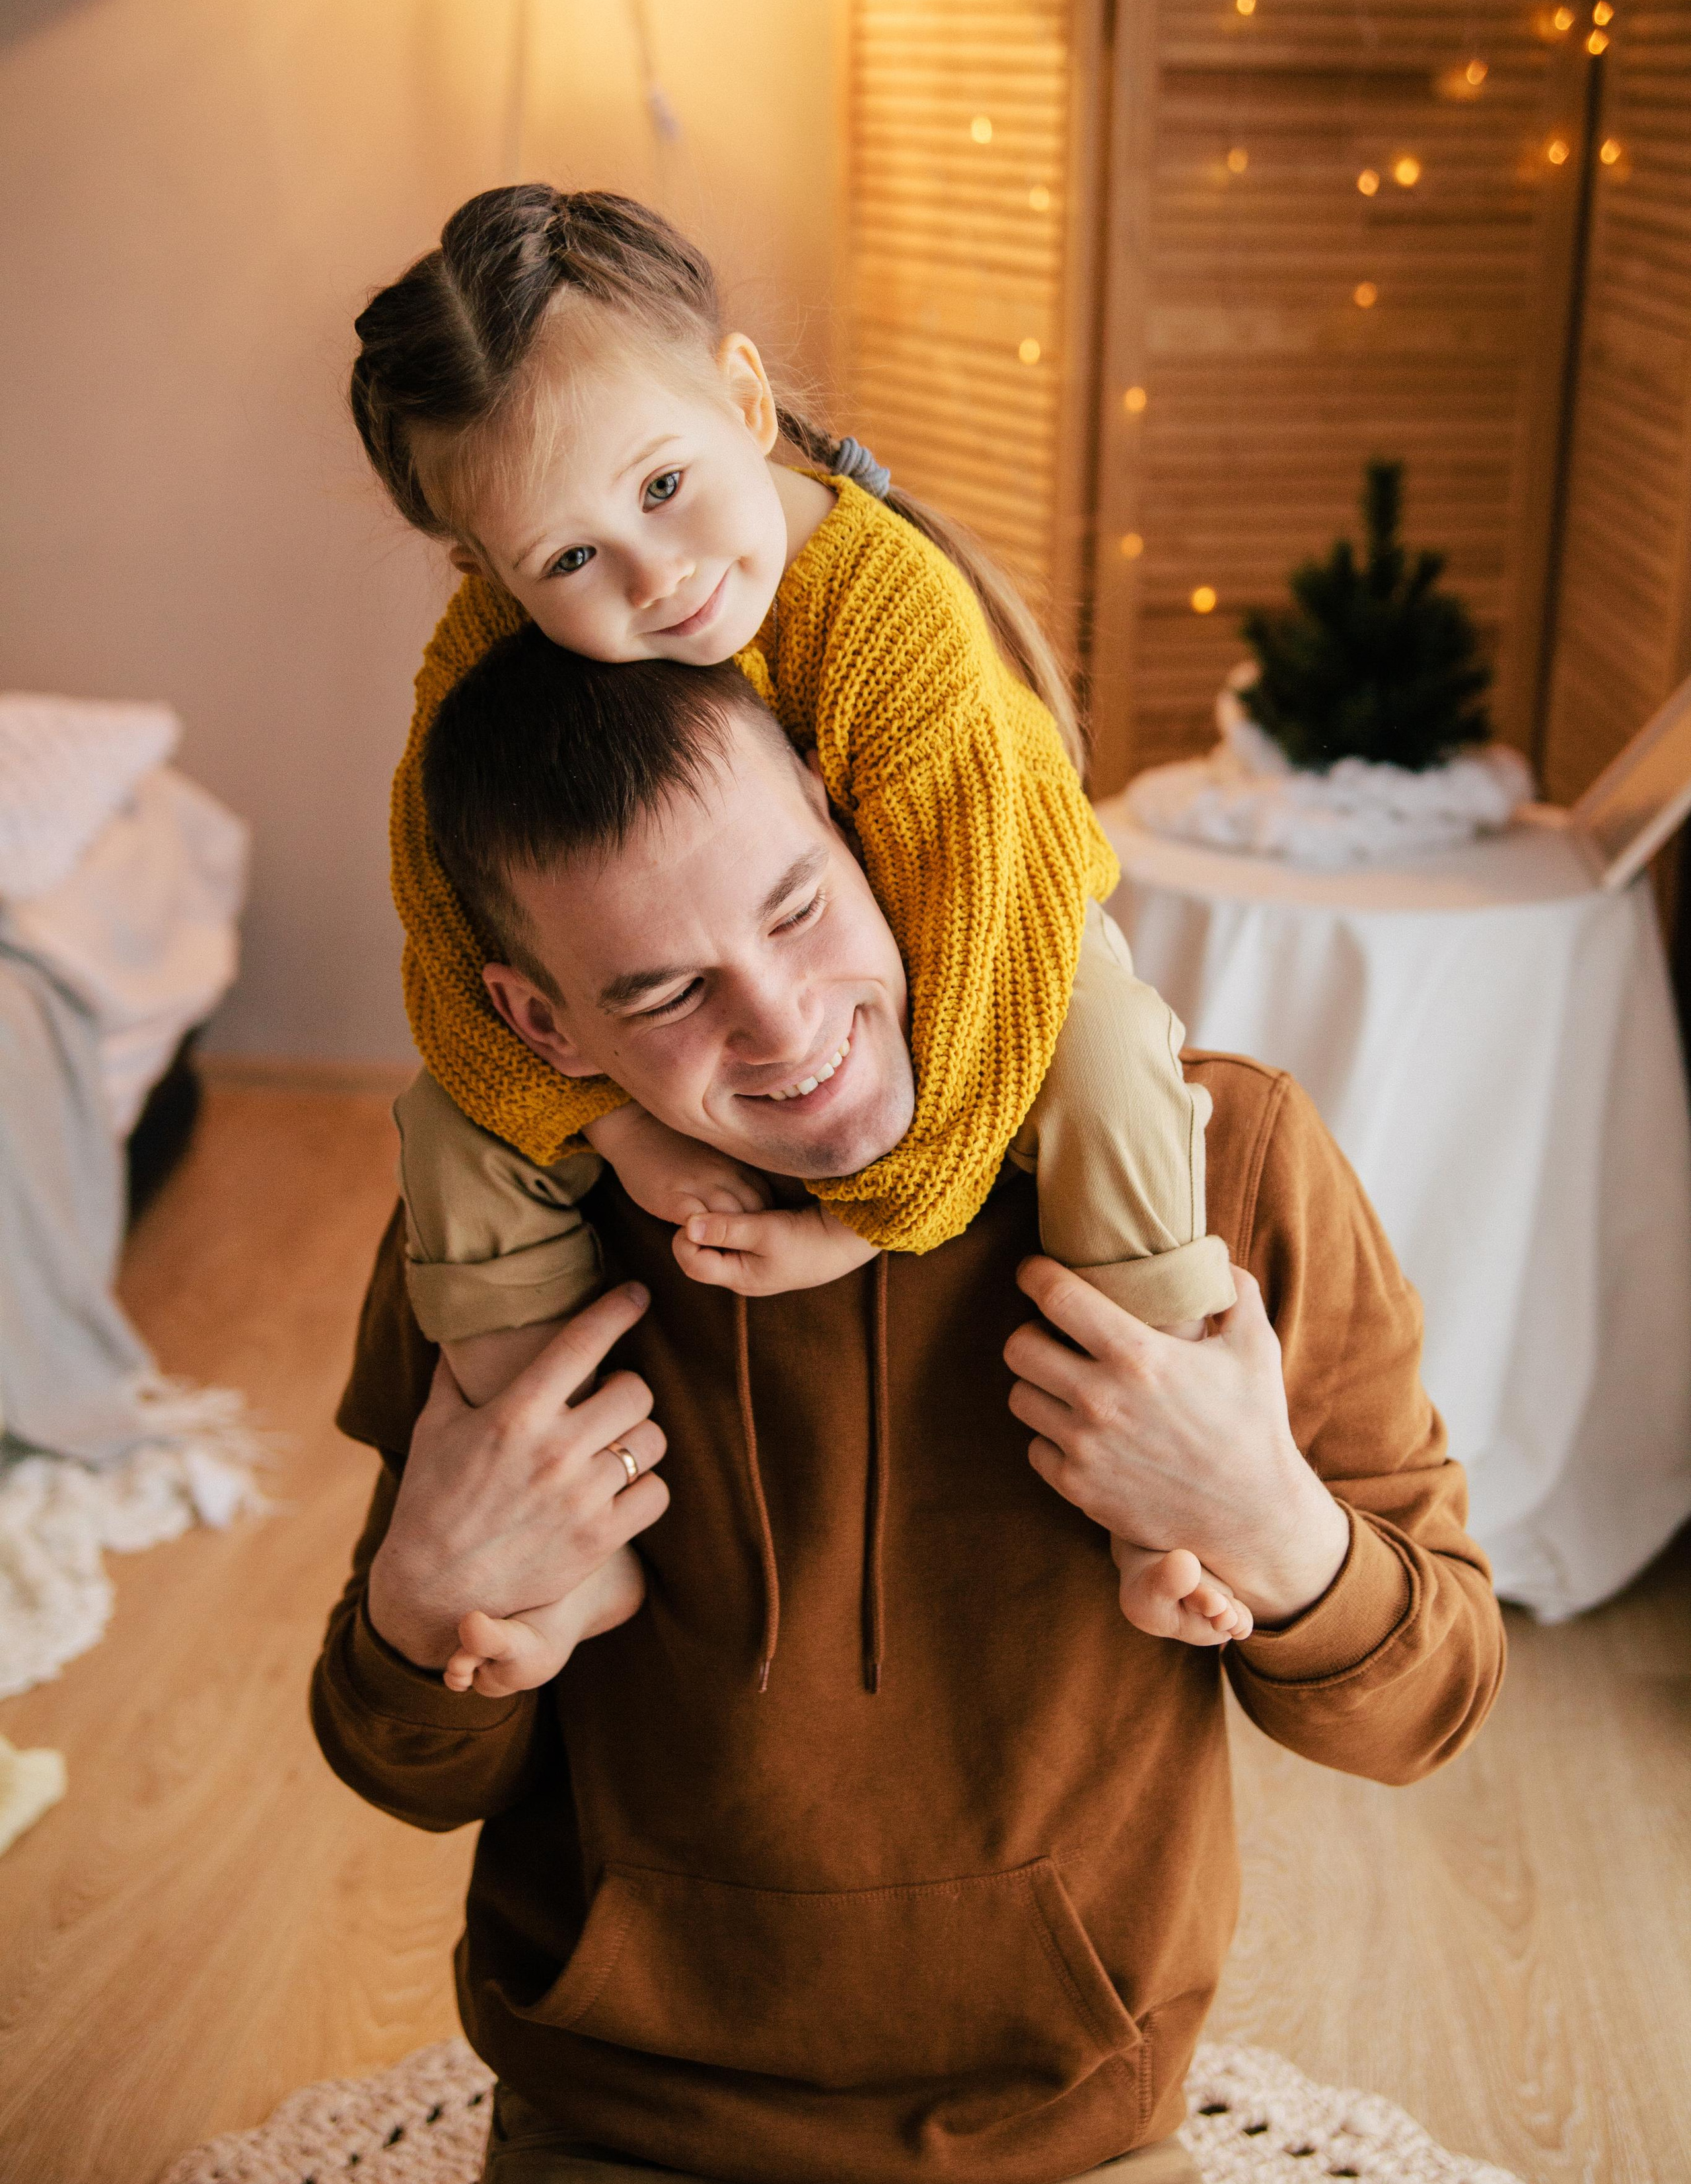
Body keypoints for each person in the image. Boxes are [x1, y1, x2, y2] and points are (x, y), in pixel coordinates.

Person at [310, 642, 1506, 2184]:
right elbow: (398, 1767)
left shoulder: (1219, 1163)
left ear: (860, 831)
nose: (783, 1023)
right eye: (661, 992)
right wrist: (420, 1603)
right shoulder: (506, 1254)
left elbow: (1433, 1702)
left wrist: (1265, 1524)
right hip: (634, 2131)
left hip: (1077, 2135)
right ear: (540, 1023)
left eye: (797, 909)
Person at [347, 184, 1248, 1687]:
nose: (653, 579)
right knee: (454, 1131)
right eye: (565, 561)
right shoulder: (485, 658)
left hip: (983, 927)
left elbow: (984, 974)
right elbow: (447, 951)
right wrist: (616, 1132)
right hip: (737, 971)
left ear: (745, 401)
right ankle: (567, 1541)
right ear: (487, 575)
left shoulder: (890, 621)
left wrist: (855, 1225)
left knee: (1103, 1060)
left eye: (662, 485)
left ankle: (1168, 1494)